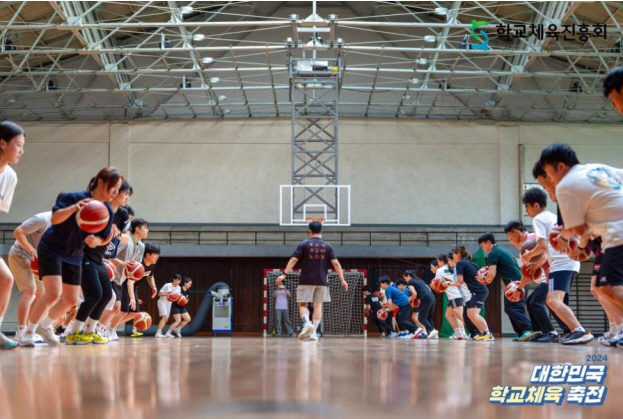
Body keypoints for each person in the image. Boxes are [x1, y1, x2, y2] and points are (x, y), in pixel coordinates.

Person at [21, 167, 121, 347]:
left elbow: (106, 236)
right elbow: (56, 218)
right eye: (114, 187)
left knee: (71, 300)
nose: (116, 192)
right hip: (52, 248)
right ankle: (28, 332)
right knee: (52, 294)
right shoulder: (74, 197)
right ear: (101, 182)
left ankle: (45, 326)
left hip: (75, 254)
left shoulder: (107, 210)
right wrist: (75, 209)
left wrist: (96, 241)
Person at [539, 143, 623, 347]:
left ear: (560, 167)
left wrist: (569, 242)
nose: (550, 179)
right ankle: (618, 329)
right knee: (603, 288)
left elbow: (578, 231)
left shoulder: (566, 186)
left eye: (549, 173)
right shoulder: (599, 168)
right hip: (614, 233)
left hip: (618, 234)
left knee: (609, 288)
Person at [521, 188, 593, 345]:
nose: (527, 211)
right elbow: (547, 248)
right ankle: (571, 331)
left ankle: (579, 330)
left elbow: (541, 246)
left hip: (561, 264)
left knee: (552, 300)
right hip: (569, 262)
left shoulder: (538, 219)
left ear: (535, 205)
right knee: (557, 301)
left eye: (526, 207)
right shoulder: (553, 217)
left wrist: (528, 255)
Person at [275, 221, 347, 342]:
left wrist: (284, 274)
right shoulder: (328, 246)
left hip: (306, 280)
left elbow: (293, 260)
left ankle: (307, 325)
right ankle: (314, 334)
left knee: (302, 304)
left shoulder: (304, 244)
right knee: (318, 306)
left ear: (309, 231)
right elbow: (336, 263)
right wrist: (343, 280)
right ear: (321, 231)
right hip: (322, 281)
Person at [478, 232, 535, 341]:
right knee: (515, 308)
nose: (482, 248)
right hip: (522, 281)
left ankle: (527, 330)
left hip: (515, 284)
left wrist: (484, 279)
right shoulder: (504, 250)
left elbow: (491, 274)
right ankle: (521, 333)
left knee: (512, 308)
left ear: (488, 242)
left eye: (482, 245)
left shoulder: (493, 253)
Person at [0, 121, 25, 350]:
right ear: (2, 143)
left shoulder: (10, 177)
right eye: (18, 145)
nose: (21, 151)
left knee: (6, 279)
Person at [8, 211, 52, 343]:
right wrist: (31, 249)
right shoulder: (42, 219)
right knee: (30, 291)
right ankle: (21, 330)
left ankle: (29, 331)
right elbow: (18, 232)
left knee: (43, 294)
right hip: (20, 255)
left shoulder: (68, 227)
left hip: (40, 261)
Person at [106, 218, 149, 339]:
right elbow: (110, 257)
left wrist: (132, 296)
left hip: (123, 280)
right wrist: (124, 264)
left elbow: (134, 271)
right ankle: (102, 328)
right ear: (136, 228)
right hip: (112, 277)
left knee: (124, 310)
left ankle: (110, 329)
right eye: (145, 227)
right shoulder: (125, 240)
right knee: (115, 307)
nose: (147, 230)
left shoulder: (141, 246)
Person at [450, 246, 493, 341]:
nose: (453, 256)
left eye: (453, 254)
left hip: (479, 291)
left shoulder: (460, 263)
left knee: (473, 313)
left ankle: (488, 333)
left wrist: (448, 283)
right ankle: (484, 333)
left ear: (458, 254)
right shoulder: (472, 263)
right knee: (469, 313)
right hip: (477, 291)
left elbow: (460, 281)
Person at [435, 255, 467, 340]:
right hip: (459, 294)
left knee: (460, 316)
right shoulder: (455, 268)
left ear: (442, 261)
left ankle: (469, 333)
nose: (437, 263)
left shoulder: (439, 270)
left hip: (455, 295)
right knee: (449, 315)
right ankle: (459, 333)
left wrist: (434, 285)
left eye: (438, 261)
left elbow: (437, 286)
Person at [402, 270, 437, 338]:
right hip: (432, 297)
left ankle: (432, 330)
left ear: (408, 276)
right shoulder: (420, 280)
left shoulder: (410, 282)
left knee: (421, 318)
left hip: (425, 298)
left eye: (405, 278)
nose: (405, 280)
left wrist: (410, 298)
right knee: (428, 318)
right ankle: (434, 334)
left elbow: (414, 294)